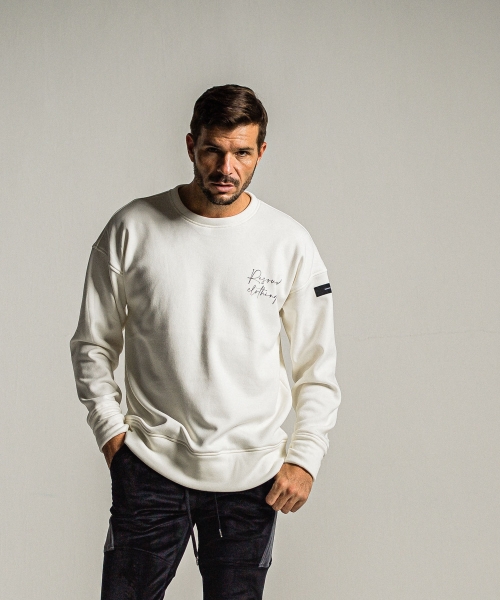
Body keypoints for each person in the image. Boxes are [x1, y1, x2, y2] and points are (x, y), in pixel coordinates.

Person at [70, 84, 341, 600]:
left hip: (252, 477)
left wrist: (305, 457)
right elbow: (92, 345)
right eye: (214, 150)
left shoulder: (289, 243)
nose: (226, 167)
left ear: (261, 152)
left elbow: (316, 365)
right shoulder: (132, 228)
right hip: (150, 467)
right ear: (191, 145)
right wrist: (111, 434)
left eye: (242, 153)